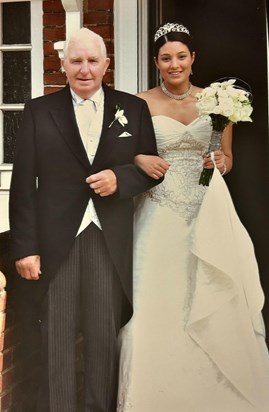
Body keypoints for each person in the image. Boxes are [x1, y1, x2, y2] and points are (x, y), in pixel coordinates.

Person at [9, 27, 163, 412]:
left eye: (93, 61)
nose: (84, 69)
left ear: (106, 65)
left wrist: (120, 178)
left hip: (107, 237)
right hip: (56, 239)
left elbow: (151, 168)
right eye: (76, 61)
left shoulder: (134, 108)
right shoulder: (38, 111)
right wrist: (25, 248)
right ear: (63, 66)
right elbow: (23, 184)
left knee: (102, 339)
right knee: (57, 339)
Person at [117, 22, 269, 412]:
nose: (174, 64)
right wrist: (138, 157)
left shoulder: (218, 101)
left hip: (207, 211)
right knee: (159, 302)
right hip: (159, 211)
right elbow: (120, 155)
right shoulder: (137, 103)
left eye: (181, 56)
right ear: (156, 62)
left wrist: (220, 160)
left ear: (193, 59)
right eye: (166, 58)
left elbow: (226, 159)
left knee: (214, 296)